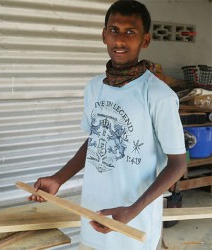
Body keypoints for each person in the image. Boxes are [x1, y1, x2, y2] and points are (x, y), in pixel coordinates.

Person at [29, 1, 187, 249]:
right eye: (114, 30)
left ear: (145, 40)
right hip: (93, 215)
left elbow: (178, 164)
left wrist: (134, 209)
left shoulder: (158, 95)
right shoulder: (95, 87)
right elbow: (95, 139)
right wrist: (58, 179)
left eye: (130, 32)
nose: (120, 40)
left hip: (134, 226)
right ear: (104, 35)